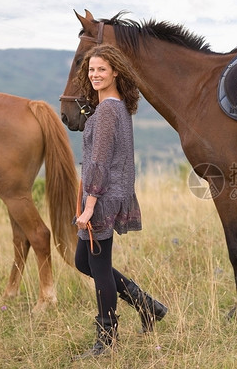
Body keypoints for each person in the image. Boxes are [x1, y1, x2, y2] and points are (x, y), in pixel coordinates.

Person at [72, 44, 167, 360]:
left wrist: (89, 204)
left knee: (97, 266)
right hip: (106, 194)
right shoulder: (114, 106)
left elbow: (99, 159)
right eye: (91, 69)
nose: (95, 74)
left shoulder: (110, 109)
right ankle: (147, 305)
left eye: (101, 69)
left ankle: (106, 339)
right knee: (84, 261)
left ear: (115, 72)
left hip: (103, 197)